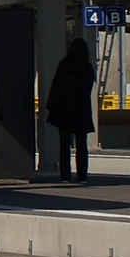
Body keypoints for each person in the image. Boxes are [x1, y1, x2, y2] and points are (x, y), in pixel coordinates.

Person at [47, 36, 98, 184]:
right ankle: (82, 175)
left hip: (64, 110)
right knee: (82, 143)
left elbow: (56, 86)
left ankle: (65, 175)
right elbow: (87, 88)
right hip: (81, 109)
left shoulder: (64, 65)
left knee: (64, 144)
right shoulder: (87, 68)